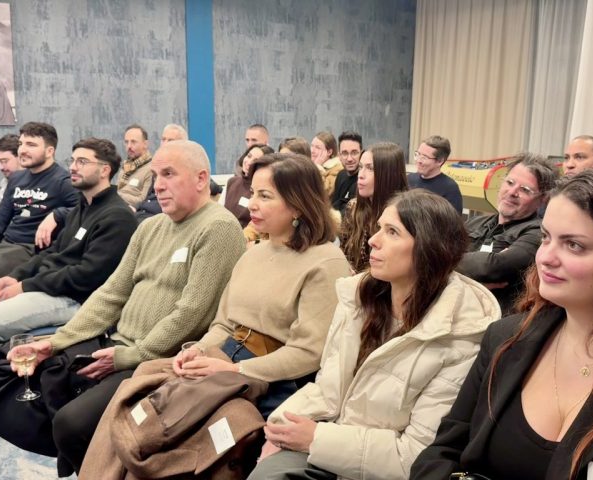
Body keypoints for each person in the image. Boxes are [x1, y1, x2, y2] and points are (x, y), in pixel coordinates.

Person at [0, 140, 245, 476]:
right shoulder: (151, 227)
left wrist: (129, 356)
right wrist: (56, 341)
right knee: (15, 378)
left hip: (157, 360)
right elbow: (111, 293)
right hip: (115, 343)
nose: (158, 185)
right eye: (156, 175)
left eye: (169, 174)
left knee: (70, 423)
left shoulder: (219, 227)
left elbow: (191, 312)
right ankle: (91, 463)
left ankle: (94, 464)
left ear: (201, 179)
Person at [248, 189, 500, 480]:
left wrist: (316, 438)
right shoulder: (358, 299)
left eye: (392, 232)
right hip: (331, 442)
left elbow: (415, 456)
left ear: (430, 248)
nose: (373, 240)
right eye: (379, 227)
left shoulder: (459, 339)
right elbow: (327, 388)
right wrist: (280, 429)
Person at [411, 169, 593, 479]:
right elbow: (443, 451)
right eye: (545, 237)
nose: (546, 258)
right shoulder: (506, 338)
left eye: (574, 245)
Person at [173, 153, 351, 418]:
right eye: (253, 193)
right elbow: (224, 324)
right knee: (152, 393)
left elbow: (308, 353)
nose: (252, 204)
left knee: (190, 421)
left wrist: (236, 370)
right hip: (229, 360)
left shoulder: (326, 262)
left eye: (265, 196)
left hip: (278, 384)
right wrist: (198, 350)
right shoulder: (252, 253)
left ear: (298, 205)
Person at [0, 137, 137, 347]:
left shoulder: (117, 217)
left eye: (82, 162)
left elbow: (86, 276)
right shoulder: (82, 207)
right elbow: (52, 252)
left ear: (105, 170)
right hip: (48, 288)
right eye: (73, 160)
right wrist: (16, 276)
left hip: (76, 300)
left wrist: (26, 285)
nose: (73, 167)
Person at [457, 153, 558, 313]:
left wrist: (448, 265)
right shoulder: (475, 223)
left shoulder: (538, 234)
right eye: (510, 182)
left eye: (525, 190)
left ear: (543, 199)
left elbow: (491, 268)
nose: (512, 192)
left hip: (495, 319)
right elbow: (433, 259)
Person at [0, 122, 78, 278]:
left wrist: (58, 214)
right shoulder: (16, 178)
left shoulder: (63, 182)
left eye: (31, 145)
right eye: (21, 144)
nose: (22, 150)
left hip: (30, 250)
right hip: (4, 245)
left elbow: (91, 209)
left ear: (49, 151)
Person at [340, 142, 408, 273]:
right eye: (361, 167)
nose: (361, 175)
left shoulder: (404, 215)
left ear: (389, 175)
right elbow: (344, 252)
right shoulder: (353, 207)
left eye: (370, 169)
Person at [135, 123, 223, 222]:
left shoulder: (218, 225)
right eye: (163, 139)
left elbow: (213, 186)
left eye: (168, 174)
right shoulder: (157, 167)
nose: (157, 186)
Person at [408, 135, 462, 213]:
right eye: (418, 154)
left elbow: (454, 219)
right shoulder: (409, 179)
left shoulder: (450, 188)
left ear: (440, 161)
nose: (418, 160)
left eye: (425, 157)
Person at [224, 143, 274, 228]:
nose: (249, 162)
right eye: (249, 156)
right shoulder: (232, 182)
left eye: (255, 160)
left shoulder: (265, 189)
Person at [117, 124, 153, 209]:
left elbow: (144, 201)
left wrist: (117, 195)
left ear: (145, 144)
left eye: (133, 142)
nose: (129, 146)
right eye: (126, 142)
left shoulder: (151, 169)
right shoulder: (126, 167)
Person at [331, 130, 362, 215]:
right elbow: (334, 206)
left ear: (361, 153)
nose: (349, 159)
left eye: (354, 153)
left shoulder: (363, 181)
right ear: (339, 156)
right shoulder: (341, 175)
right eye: (345, 153)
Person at [0, 133, 21, 215]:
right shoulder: (5, 181)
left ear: (21, 157)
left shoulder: (36, 184)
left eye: (4, 161)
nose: (0, 167)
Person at [311, 131, 342, 196]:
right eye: (312, 146)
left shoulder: (337, 169)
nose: (312, 151)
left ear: (329, 152)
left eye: (317, 147)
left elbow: (325, 192)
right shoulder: (310, 164)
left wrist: (317, 168)